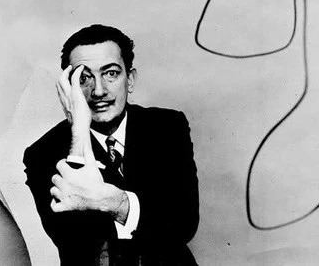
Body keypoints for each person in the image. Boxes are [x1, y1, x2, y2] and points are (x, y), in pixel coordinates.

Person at [23, 25, 199, 265]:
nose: (98, 91)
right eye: (83, 78)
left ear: (130, 80)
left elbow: (182, 224)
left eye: (111, 73)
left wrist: (114, 203)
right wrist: (78, 129)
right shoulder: (41, 154)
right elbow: (75, 242)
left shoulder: (167, 126)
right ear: (69, 88)